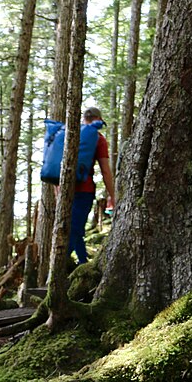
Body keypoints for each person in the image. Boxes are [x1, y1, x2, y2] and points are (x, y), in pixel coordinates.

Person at [66, 107, 116, 266]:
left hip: (65, 191)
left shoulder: (69, 135)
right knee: (75, 230)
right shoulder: (98, 138)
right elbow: (105, 171)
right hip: (84, 191)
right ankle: (56, 271)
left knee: (76, 229)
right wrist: (113, 195)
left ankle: (82, 263)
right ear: (98, 120)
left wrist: (58, 192)